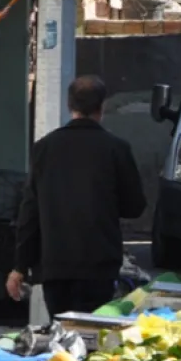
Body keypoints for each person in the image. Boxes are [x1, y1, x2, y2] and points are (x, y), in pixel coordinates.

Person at [8, 75, 147, 315]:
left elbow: (29, 211)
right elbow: (135, 206)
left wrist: (20, 266)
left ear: (69, 106)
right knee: (94, 333)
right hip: (99, 264)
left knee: (62, 334)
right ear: (101, 107)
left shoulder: (44, 147)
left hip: (55, 264)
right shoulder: (116, 148)